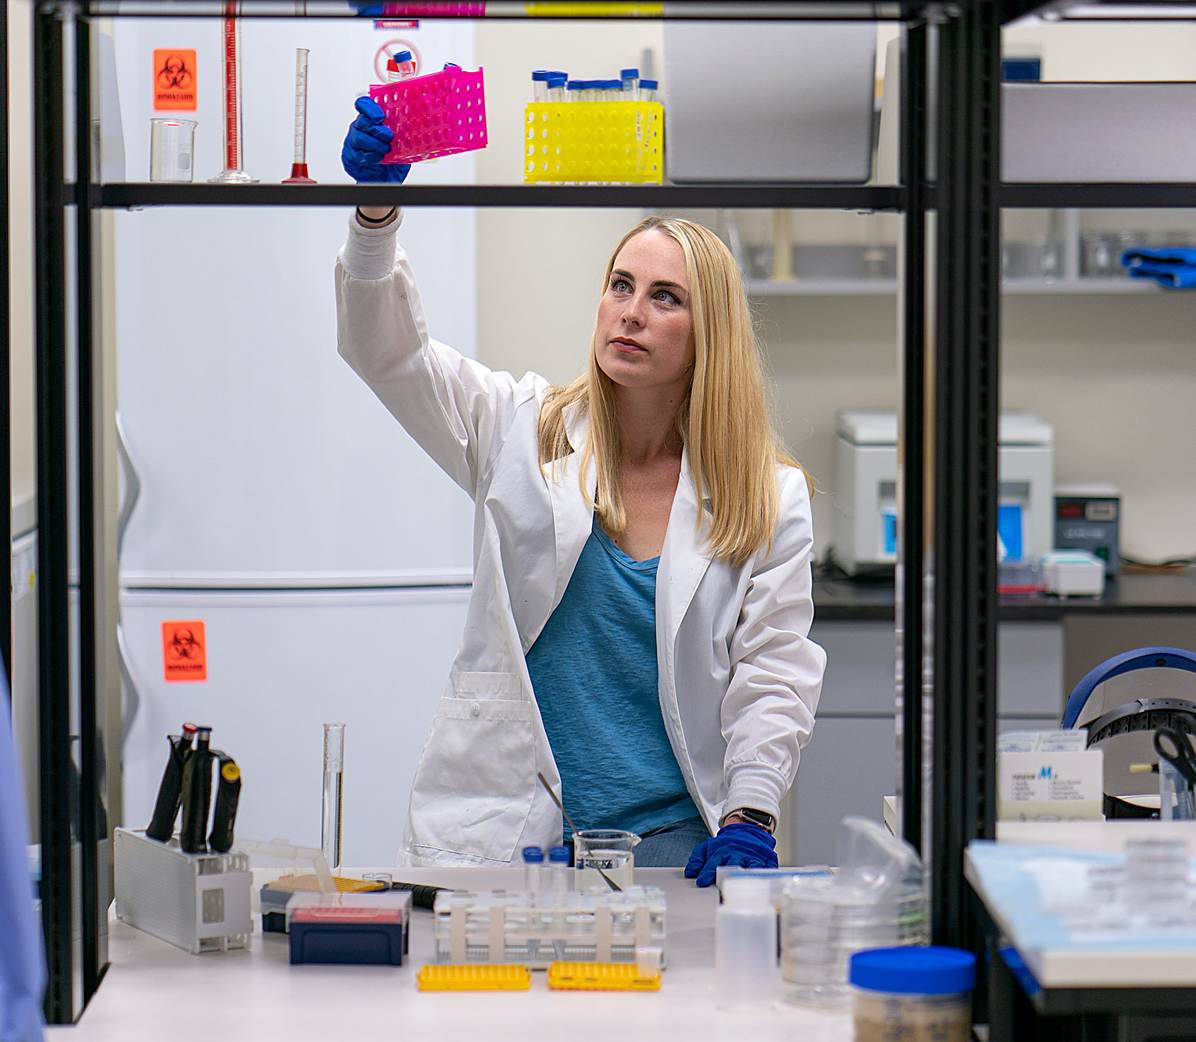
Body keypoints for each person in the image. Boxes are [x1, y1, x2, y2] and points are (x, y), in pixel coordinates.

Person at [338, 99, 826, 884]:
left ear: (712, 336)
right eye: (621, 286)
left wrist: (751, 812)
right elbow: (385, 352)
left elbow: (774, 671)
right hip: (508, 832)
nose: (630, 313)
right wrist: (373, 217)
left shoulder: (765, 497)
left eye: (665, 298)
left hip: (670, 844)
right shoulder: (520, 429)